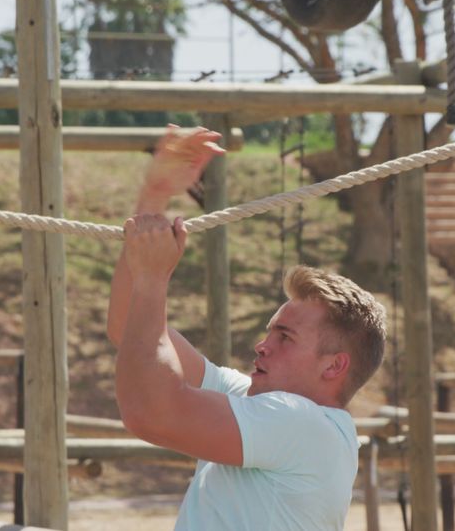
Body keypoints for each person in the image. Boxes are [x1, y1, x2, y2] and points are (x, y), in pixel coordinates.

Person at [107, 125, 387, 531]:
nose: (262, 346)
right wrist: (155, 196)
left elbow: (150, 412)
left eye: (284, 337)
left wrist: (154, 280)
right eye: (271, 331)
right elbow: (128, 330)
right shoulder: (260, 403)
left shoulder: (302, 423)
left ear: (333, 367)